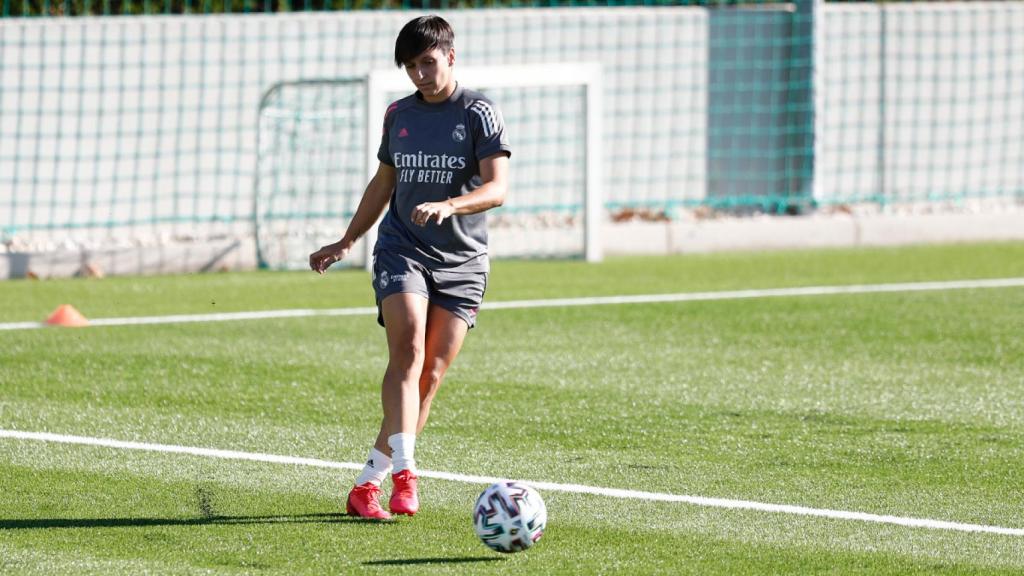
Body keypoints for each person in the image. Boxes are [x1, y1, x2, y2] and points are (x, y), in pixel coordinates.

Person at [309, 15, 510, 520]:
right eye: (410, 66)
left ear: (450, 56)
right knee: (409, 349)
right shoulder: (398, 113)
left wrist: (450, 205)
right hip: (402, 249)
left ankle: (366, 484)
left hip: (463, 262)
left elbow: (497, 188)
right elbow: (384, 183)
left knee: (431, 375)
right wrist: (347, 239)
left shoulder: (479, 113)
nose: (419, 73)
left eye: (427, 62)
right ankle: (405, 475)